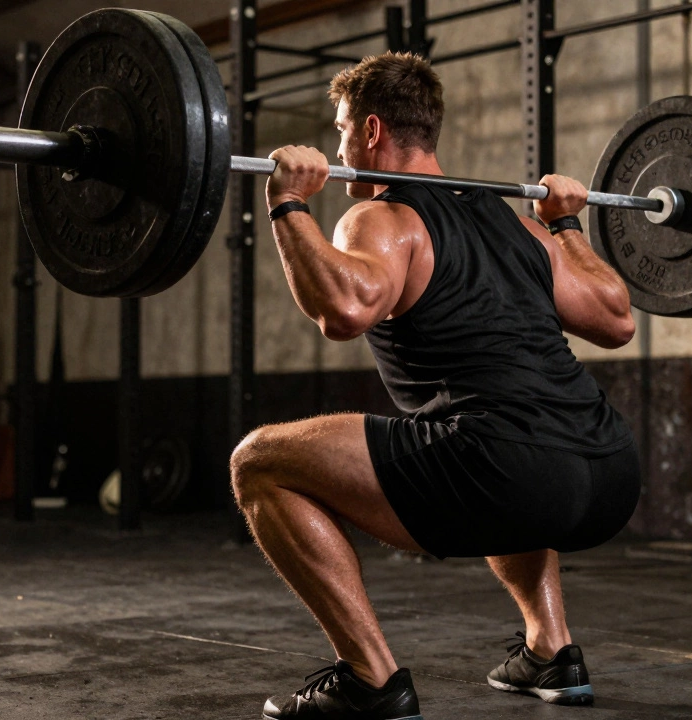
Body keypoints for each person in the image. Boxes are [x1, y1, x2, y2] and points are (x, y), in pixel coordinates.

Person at [230, 51, 641, 720]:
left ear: (369, 132)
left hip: (510, 466)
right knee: (500, 438)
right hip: (609, 470)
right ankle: (551, 651)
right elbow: (616, 317)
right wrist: (567, 223)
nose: (336, 151)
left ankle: (370, 680)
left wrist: (286, 203)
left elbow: (345, 309)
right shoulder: (522, 227)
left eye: (338, 131)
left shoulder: (382, 219)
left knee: (258, 463)